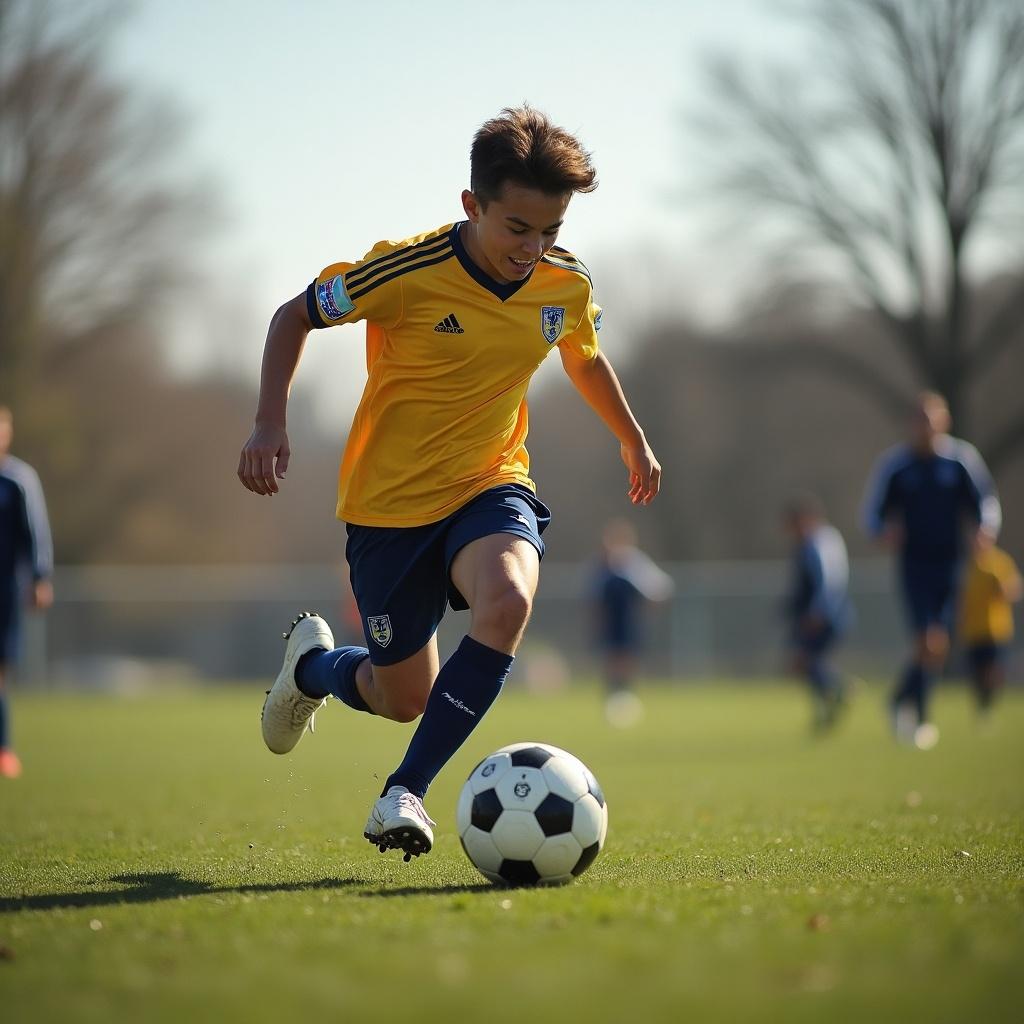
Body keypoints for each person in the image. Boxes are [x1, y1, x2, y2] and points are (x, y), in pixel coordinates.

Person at [237, 107, 661, 861]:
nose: (535, 249)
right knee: (404, 699)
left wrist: (630, 435)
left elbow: (584, 354)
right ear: (472, 206)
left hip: (491, 484)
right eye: (517, 228)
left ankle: (404, 792)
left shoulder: (564, 283)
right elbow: (290, 318)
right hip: (388, 510)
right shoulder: (404, 271)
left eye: (551, 231)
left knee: (509, 600)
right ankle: (309, 668)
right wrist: (270, 421)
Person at [862, 392, 1001, 748]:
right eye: (918, 418)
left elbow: (985, 501)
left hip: (951, 563)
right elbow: (872, 513)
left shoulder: (960, 461)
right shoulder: (897, 465)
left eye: (931, 418)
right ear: (911, 424)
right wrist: (883, 532)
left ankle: (902, 702)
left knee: (937, 646)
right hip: (914, 565)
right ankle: (918, 716)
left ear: (944, 421)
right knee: (929, 639)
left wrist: (985, 528)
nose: (924, 426)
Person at [0, 406, 54, 779]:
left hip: (4, 591)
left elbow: (36, 533)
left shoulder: (17, 479)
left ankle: (3, 749)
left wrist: (39, 578)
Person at [590, 518, 673, 726]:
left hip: (628, 621)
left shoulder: (634, 564)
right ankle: (613, 697)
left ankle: (625, 697)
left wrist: (646, 610)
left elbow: (659, 590)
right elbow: (593, 597)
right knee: (611, 659)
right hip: (611, 622)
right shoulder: (601, 566)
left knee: (627, 660)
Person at [782, 494, 850, 732]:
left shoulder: (816, 544)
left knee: (804, 662)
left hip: (823, 616)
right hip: (826, 613)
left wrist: (817, 611)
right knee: (806, 663)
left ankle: (840, 690)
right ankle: (826, 708)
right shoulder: (827, 539)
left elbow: (827, 581)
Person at [959, 532, 1021, 717]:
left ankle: (989, 704)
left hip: (996, 629)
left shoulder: (1000, 562)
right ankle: (981, 706)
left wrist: (1003, 588)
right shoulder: (967, 565)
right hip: (972, 630)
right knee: (977, 672)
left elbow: (1014, 589)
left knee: (992, 670)